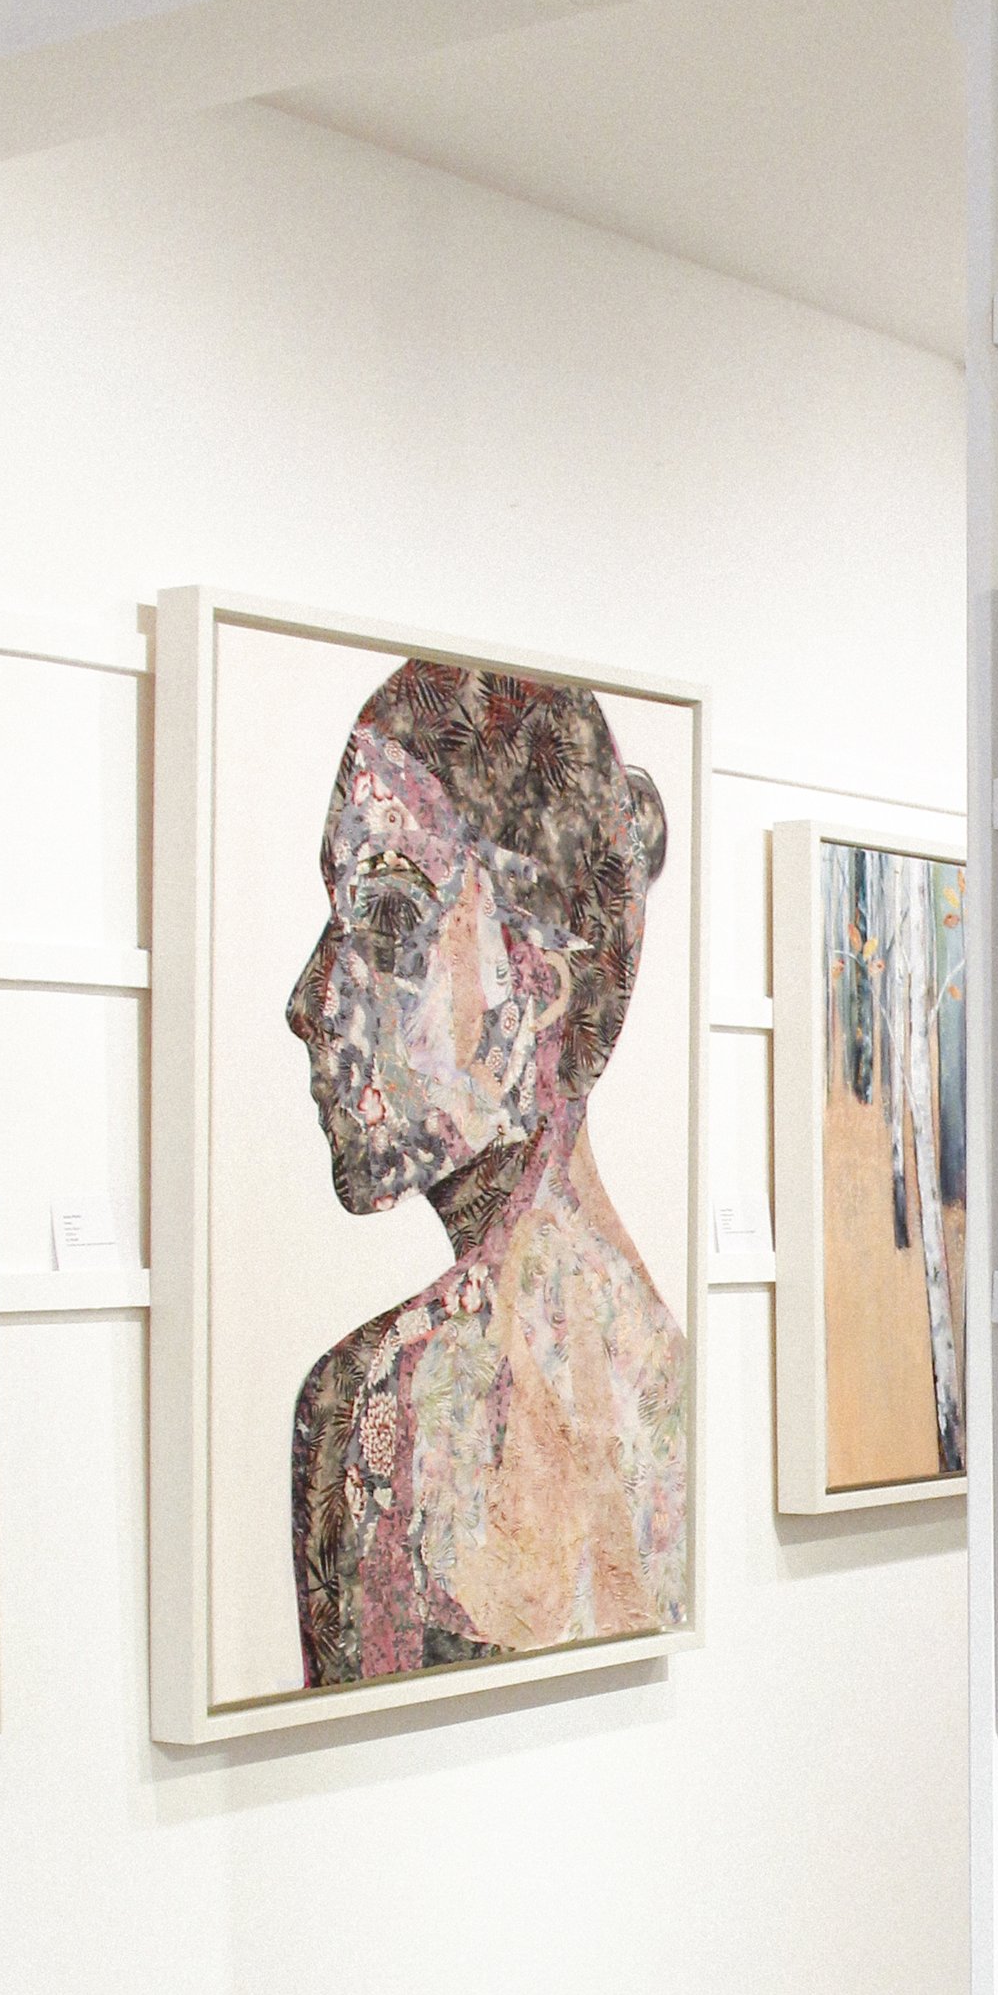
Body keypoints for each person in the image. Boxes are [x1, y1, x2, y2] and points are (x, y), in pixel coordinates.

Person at [284, 662, 687, 1684]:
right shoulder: (674, 1376)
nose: (311, 998)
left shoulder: (369, 1406)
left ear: (539, 977)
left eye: (384, 920)